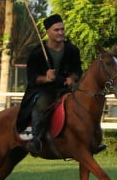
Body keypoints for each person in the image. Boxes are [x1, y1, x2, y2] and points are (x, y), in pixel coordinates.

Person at [17, 13, 82, 154]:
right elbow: (32, 78)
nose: (60, 33)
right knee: (41, 104)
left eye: (62, 29)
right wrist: (46, 78)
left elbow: (77, 70)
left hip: (66, 88)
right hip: (44, 90)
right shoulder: (37, 53)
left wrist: (72, 78)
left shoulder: (72, 50)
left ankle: (88, 139)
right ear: (47, 32)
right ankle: (35, 139)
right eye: (56, 30)